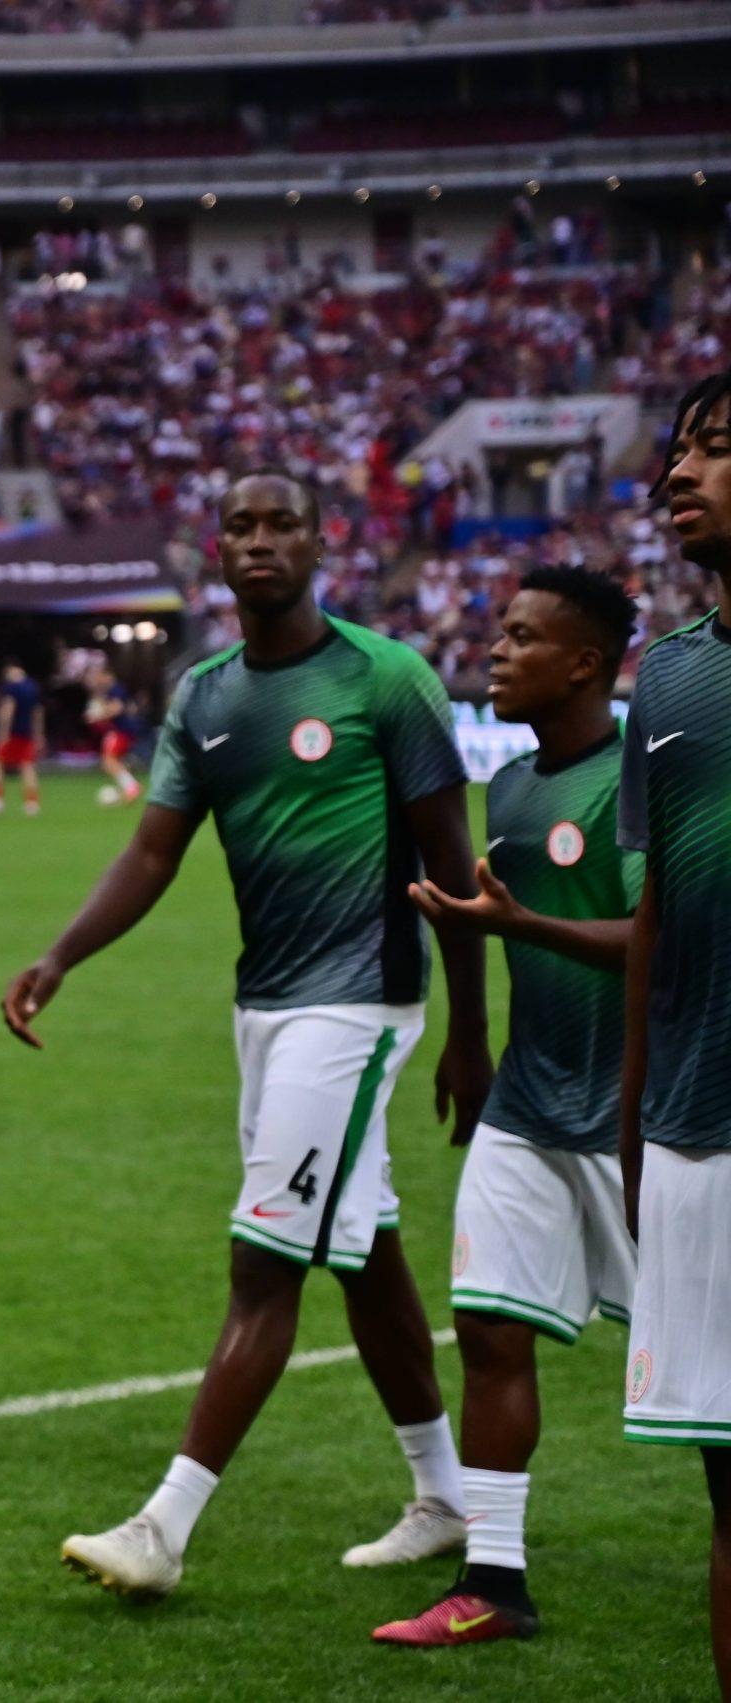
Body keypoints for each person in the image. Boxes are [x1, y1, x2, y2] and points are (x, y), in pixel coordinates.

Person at [2, 471, 493, 1601]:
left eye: (283, 524)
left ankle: (162, 1526)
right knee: (362, 1248)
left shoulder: (387, 678)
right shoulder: (205, 694)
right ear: (215, 551)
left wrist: (468, 1033)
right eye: (241, 526)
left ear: (321, 543)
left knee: (264, 1260)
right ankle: (446, 1494)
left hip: (358, 1003)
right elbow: (153, 850)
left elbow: (450, 863)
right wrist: (60, 956)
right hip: (264, 1006)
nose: (261, 541)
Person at [369, 567, 641, 1648]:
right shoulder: (516, 784)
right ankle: (493, 1581)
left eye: (523, 637)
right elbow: (496, 917)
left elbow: (660, 940)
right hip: (529, 1103)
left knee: (704, 1367)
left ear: (584, 664)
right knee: (487, 1330)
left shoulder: (642, 778)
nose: (495, 649)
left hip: (643, 1115)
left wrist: (522, 926)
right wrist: (471, 1039)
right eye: (498, 630)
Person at [620, 370, 731, 1698]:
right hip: (696, 1128)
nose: (678, 475)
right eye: (679, 452)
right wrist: (633, 1120)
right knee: (728, 1486)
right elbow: (653, 912)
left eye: (716, 449)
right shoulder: (670, 671)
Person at [0, 659, 44, 817]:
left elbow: (8, 709)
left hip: (12, 733)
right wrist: (39, 734)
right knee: (27, 766)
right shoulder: (33, 687)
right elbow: (38, 712)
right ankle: (32, 802)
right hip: (27, 732)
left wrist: (3, 732)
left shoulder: (11, 687)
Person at [86, 662, 143, 805]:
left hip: (121, 731)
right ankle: (129, 788)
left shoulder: (115, 689)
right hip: (121, 730)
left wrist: (97, 715)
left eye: (99, 676)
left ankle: (132, 787)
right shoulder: (110, 691)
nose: (97, 679)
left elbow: (117, 709)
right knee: (113, 762)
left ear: (107, 675)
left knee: (108, 761)